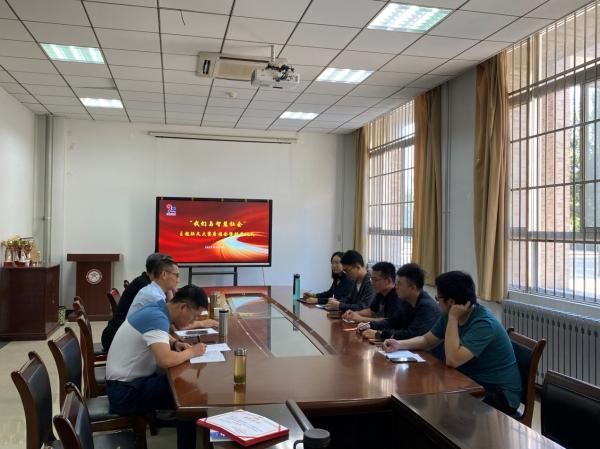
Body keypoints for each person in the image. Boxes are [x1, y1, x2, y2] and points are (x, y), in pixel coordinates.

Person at [383, 271, 522, 415]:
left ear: (451, 302)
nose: (437, 302)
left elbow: (453, 360)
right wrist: (399, 344)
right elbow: (427, 340)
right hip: (470, 381)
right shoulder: (450, 315)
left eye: (438, 298)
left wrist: (453, 318)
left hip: (498, 394)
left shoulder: (483, 323)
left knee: (439, 407)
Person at [106, 284, 208, 449]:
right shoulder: (157, 317)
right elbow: (165, 360)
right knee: (187, 396)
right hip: (124, 392)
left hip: (125, 384)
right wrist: (193, 352)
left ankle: (185, 425)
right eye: (194, 316)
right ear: (183, 307)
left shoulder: (158, 308)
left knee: (181, 386)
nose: (193, 322)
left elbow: (156, 333)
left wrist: (174, 343)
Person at [101, 253, 166, 351]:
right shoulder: (146, 287)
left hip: (115, 333)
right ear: (162, 273)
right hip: (114, 338)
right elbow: (168, 317)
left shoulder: (144, 280)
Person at [357, 263, 439, 341]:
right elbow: (392, 321)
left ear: (413, 288)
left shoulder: (427, 307)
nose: (396, 287)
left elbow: (413, 334)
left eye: (399, 284)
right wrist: (370, 325)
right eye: (396, 283)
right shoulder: (407, 300)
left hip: (423, 350)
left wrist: (380, 334)